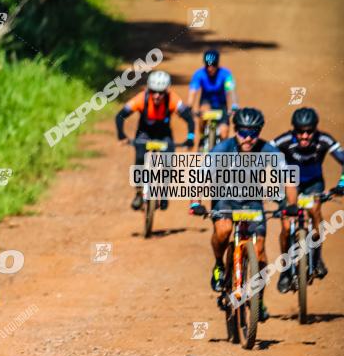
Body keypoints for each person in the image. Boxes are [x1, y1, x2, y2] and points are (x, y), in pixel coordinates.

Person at [189, 108, 289, 321]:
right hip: (224, 197)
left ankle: (258, 302)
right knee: (224, 230)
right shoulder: (222, 149)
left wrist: (288, 203)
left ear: (259, 132)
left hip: (252, 201)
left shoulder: (268, 150)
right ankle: (218, 264)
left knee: (260, 253)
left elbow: (287, 177)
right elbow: (200, 176)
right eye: (244, 133)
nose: (248, 138)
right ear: (236, 131)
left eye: (253, 133)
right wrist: (196, 201)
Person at [270, 107, 344, 292]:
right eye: (300, 131)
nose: (304, 136)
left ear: (315, 130)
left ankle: (317, 257)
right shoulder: (284, 140)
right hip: (289, 184)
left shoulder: (324, 140)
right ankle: (286, 271)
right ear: (293, 129)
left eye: (309, 131)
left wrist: (342, 183)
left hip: (313, 183)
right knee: (287, 227)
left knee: (315, 211)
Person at [116, 70, 195, 210]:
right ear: (148, 89)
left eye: (161, 92)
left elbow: (188, 117)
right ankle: (139, 193)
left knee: (168, 161)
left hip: (164, 134)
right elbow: (120, 115)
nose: (157, 96)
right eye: (154, 92)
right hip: (144, 133)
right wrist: (121, 135)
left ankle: (164, 192)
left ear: (167, 91)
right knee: (140, 158)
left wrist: (190, 138)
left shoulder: (172, 99)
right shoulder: (141, 98)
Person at [187, 49, 238, 147]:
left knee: (224, 132)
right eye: (207, 65)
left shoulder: (225, 74)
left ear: (218, 64)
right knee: (203, 110)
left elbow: (231, 90)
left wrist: (234, 105)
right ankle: (202, 137)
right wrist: (189, 106)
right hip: (206, 102)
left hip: (221, 105)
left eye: (213, 65)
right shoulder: (199, 74)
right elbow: (193, 91)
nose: (210, 68)